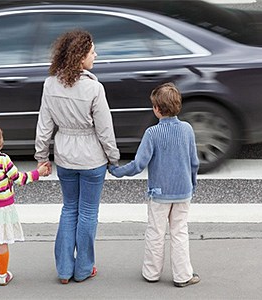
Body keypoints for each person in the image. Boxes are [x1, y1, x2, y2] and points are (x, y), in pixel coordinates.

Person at [34, 29, 120, 284]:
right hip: (92, 158)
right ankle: (83, 268)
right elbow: (105, 129)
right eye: (92, 51)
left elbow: (44, 125)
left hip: (65, 157)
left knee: (69, 209)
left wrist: (42, 156)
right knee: (88, 213)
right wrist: (113, 158)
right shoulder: (94, 88)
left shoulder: (50, 84)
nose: (96, 55)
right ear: (81, 56)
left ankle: (63, 269)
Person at [109, 82, 200, 288]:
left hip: (159, 194)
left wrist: (117, 171)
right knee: (180, 232)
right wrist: (192, 185)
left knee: (155, 232)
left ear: (157, 109)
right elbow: (194, 162)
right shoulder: (187, 130)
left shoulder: (152, 133)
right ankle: (183, 275)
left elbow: (139, 164)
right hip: (183, 191)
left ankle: (151, 273)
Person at [0, 119, 48, 286]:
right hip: (4, 208)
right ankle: (3, 275)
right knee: (2, 241)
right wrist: (38, 173)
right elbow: (19, 179)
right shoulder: (4, 160)